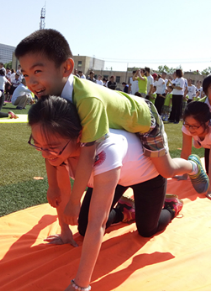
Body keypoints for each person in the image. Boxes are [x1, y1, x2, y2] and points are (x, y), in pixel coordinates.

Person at [15, 28, 209, 227]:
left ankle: (193, 165)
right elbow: (49, 147)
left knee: (167, 169)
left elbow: (88, 154)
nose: (31, 82)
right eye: (26, 74)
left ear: (66, 68)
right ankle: (125, 207)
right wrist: (53, 186)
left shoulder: (86, 100)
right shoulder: (49, 99)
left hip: (144, 120)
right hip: (120, 124)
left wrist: (75, 201)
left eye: (37, 71)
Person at [28, 96, 183, 291]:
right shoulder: (56, 151)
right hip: (112, 178)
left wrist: (80, 285)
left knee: (146, 230)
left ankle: (171, 206)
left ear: (78, 136)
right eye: (38, 145)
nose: (44, 153)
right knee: (83, 229)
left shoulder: (105, 152)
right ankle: (125, 209)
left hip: (147, 177)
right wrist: (65, 231)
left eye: (51, 147)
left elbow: (98, 223)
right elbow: (64, 195)